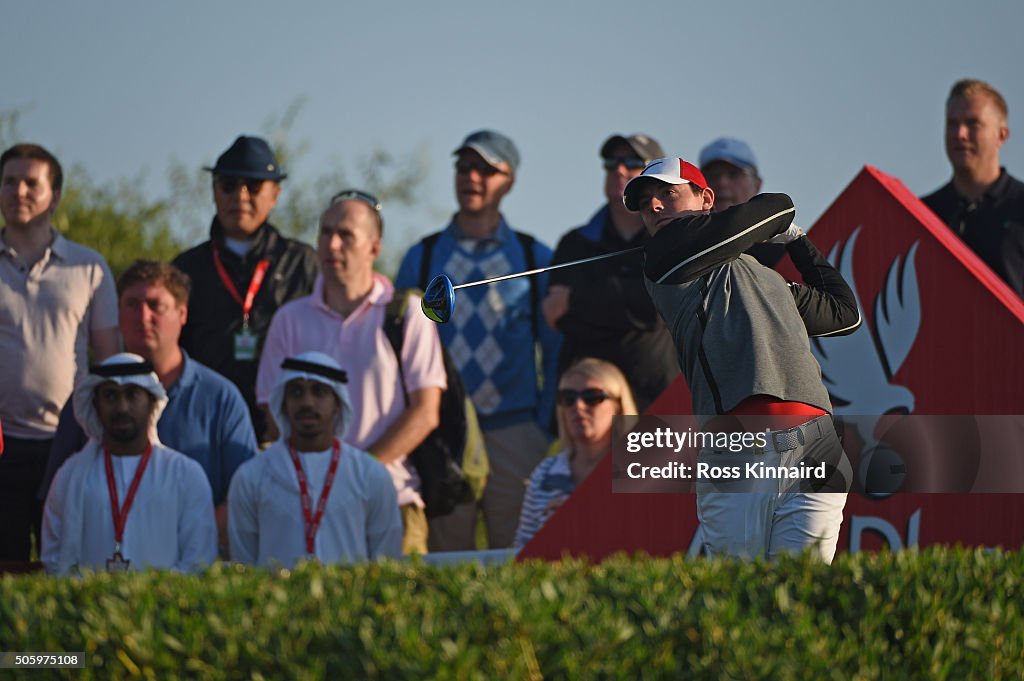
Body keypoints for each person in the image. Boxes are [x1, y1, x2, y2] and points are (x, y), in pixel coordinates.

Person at [622, 157, 861, 563]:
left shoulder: (768, 280)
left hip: (815, 448)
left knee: (798, 602)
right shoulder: (664, 258)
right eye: (646, 203)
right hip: (738, 452)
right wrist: (783, 225)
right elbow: (777, 206)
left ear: (706, 199)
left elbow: (844, 313)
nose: (656, 207)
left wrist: (797, 241)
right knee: (744, 602)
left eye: (668, 193)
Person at [395, 130, 561, 551]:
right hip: (444, 429)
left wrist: (541, 427)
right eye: (465, 167)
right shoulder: (424, 256)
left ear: (509, 181)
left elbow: (556, 350)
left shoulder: (533, 256)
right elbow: (397, 348)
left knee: (520, 557)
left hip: (515, 431)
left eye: (487, 170)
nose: (473, 177)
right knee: (448, 562)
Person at [256, 191, 445, 554]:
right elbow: (273, 413)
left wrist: (357, 472)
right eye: (325, 233)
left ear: (374, 248)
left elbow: (426, 412)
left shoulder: (407, 312)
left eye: (345, 235)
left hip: (392, 498)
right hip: (304, 506)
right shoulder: (289, 319)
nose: (332, 244)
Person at [40, 260, 257, 554]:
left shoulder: (221, 399)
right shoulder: (90, 397)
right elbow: (59, 496)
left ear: (182, 314)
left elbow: (244, 497)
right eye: (132, 304)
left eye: (156, 305)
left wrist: (189, 540)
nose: (143, 316)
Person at [0, 143, 119, 562]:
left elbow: (109, 362)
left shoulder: (89, 268)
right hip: (2, 444)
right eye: (10, 182)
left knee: (69, 561)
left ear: (55, 196)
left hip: (70, 441)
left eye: (32, 183)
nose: (19, 192)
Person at [173, 136, 318, 442]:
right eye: (228, 185)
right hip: (204, 430)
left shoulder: (304, 263)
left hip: (284, 429)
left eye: (253, 187)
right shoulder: (186, 268)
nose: (239, 196)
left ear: (275, 194)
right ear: (214, 190)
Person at [41, 354, 217, 574]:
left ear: (152, 401)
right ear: (95, 404)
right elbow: (54, 559)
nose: (122, 407)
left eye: (133, 394)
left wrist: (149, 596)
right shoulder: (70, 476)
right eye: (111, 396)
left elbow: (198, 561)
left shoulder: (186, 475)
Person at [542, 134, 679, 412]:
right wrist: (630, 301)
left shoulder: (671, 238)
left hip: (658, 405)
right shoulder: (575, 242)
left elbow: (656, 307)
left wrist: (578, 302)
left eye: (632, 162)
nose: (619, 169)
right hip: (587, 407)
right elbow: (555, 313)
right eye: (611, 162)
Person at [230, 352, 403, 567]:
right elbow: (244, 563)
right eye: (296, 392)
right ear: (283, 403)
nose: (307, 402)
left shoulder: (370, 475)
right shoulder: (251, 476)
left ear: (338, 403)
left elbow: (386, 561)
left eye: (319, 392)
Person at [513, 358, 638, 549]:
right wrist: (551, 533)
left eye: (592, 397)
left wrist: (583, 519)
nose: (578, 406)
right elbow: (523, 548)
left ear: (618, 406)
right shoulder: (545, 473)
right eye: (568, 398)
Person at [921, 79, 1024, 298]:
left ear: (1001, 135)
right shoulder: (923, 215)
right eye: (952, 123)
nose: (960, 134)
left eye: (973, 123)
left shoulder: (1020, 206)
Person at [698, 137, 786, 268]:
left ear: (757, 185)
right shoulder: (682, 249)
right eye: (712, 175)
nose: (722, 183)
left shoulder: (788, 253)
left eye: (733, 174)